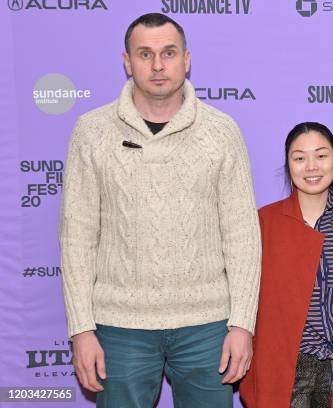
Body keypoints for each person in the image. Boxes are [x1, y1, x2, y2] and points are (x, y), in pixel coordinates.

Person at [59, 13, 261, 408]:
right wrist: (81, 329)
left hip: (207, 326)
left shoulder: (221, 132)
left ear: (186, 59)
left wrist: (242, 323)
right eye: (145, 54)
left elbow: (242, 236)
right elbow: (77, 237)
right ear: (126, 61)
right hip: (119, 328)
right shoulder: (91, 132)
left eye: (168, 53)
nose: (157, 65)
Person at [240, 122, 333, 407]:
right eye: (299, 157)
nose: (311, 167)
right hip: (285, 367)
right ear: (288, 165)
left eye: (321, 156)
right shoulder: (264, 223)